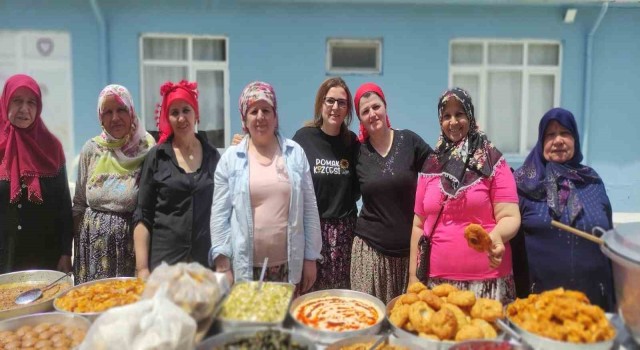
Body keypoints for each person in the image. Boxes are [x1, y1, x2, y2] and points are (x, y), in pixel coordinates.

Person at [409, 88, 520, 305]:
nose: (453, 122)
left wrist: (495, 238)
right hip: (437, 285)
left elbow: (510, 216)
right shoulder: (431, 164)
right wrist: (413, 277)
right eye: (446, 116)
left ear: (470, 115)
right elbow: (418, 225)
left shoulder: (492, 160)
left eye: (459, 114)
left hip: (488, 284)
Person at [210, 81, 322, 293]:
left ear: (275, 116)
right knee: (250, 326)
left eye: (266, 110)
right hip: (245, 270)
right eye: (253, 111)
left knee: (285, 325)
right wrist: (223, 264)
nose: (260, 116)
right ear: (244, 118)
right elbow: (219, 216)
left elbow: (309, 208)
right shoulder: (230, 159)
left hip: (288, 269)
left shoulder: (295, 154)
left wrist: (310, 258)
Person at [513, 107, 615, 311]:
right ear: (541, 141)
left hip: (592, 302)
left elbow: (610, 236)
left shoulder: (592, 180)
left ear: (575, 139)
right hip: (539, 305)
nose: (558, 140)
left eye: (565, 133)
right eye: (550, 135)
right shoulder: (523, 184)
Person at [351, 82, 432, 304]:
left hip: (410, 256)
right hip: (370, 255)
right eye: (365, 111)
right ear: (360, 119)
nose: (372, 114)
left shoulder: (409, 141)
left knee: (406, 326)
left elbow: (440, 168)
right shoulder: (357, 152)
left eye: (376, 107)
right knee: (369, 322)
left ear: (385, 107)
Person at [133, 80, 220, 279]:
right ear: (167, 118)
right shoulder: (156, 157)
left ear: (196, 114)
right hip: (165, 265)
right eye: (174, 113)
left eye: (186, 110)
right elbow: (143, 214)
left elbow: (222, 212)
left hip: (204, 265)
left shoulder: (213, 156)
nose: (181, 118)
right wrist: (142, 268)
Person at [72, 84, 155, 284]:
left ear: (132, 112)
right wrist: (77, 252)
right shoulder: (91, 150)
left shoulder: (148, 150)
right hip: (91, 251)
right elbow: (79, 203)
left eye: (121, 110)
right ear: (100, 117)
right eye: (107, 112)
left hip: (131, 250)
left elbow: (151, 206)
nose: (115, 118)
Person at [292, 77, 359, 291]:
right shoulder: (303, 138)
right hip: (312, 232)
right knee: (309, 300)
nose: (335, 107)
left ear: (348, 110)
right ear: (321, 103)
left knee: (339, 303)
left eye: (342, 103)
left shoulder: (352, 143)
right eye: (330, 101)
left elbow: (359, 188)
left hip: (345, 235)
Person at [0, 74, 72, 273]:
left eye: (31, 102)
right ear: (5, 102)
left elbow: (64, 206)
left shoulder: (51, 148)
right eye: (17, 101)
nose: (24, 109)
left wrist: (66, 253)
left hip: (44, 259)